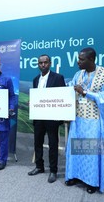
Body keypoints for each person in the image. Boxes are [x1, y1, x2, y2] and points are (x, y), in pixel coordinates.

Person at [65, 47, 104, 193]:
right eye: (78, 58)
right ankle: (75, 175)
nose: (78, 62)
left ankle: (92, 182)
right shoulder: (78, 74)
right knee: (76, 149)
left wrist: (86, 93)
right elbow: (70, 89)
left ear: (91, 59)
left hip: (96, 121)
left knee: (91, 151)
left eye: (81, 59)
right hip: (78, 120)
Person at [28, 54, 65, 183]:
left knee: (53, 144)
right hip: (38, 116)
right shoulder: (35, 79)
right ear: (38, 64)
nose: (43, 65)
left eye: (45, 62)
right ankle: (39, 166)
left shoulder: (58, 78)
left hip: (52, 117)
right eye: (40, 63)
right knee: (37, 142)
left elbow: (62, 97)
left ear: (50, 63)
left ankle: (53, 170)